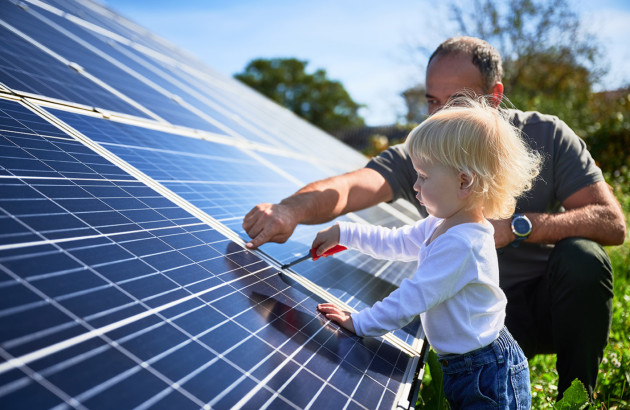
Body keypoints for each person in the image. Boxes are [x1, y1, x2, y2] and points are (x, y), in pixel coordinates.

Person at [242, 36, 627, 400]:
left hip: (529, 316)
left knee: (584, 257)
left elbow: (612, 223)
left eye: (456, 99)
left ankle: (577, 398)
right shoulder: (429, 151)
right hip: (467, 323)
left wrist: (514, 227)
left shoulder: (545, 136)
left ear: (494, 97)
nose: (439, 114)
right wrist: (292, 211)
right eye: (431, 101)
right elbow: (358, 195)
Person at [315, 97, 539, 408]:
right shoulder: (440, 223)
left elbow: (413, 297)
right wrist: (346, 233)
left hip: (487, 372)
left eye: (423, 176)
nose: (416, 186)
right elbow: (396, 242)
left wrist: (360, 323)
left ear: (464, 181)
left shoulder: (463, 244)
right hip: (467, 366)